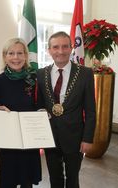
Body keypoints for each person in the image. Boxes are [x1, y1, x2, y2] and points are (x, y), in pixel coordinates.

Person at [36, 31, 96, 188]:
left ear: (71, 48)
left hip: (75, 137)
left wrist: (87, 138)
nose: (60, 51)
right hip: (50, 137)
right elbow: (40, 106)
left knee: (72, 179)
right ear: (49, 50)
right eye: (55, 47)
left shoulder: (85, 73)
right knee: (54, 178)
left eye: (64, 46)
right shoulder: (41, 74)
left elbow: (90, 110)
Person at [0, 38, 41, 188]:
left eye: (20, 53)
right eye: (11, 53)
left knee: (27, 182)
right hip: (9, 141)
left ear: (26, 56)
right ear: (5, 56)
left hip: (30, 140)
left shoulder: (34, 79)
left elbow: (41, 104)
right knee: (9, 182)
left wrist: (42, 112)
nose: (16, 57)